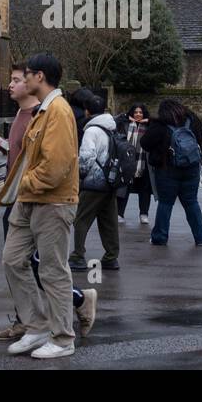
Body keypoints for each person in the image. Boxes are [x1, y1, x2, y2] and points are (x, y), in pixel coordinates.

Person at [0, 64, 96, 343]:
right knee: (12, 259)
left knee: (51, 270)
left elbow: (55, 167)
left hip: (51, 201)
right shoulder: (41, 112)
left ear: (39, 77)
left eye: (24, 76)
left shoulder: (57, 111)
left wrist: (22, 183)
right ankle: (35, 326)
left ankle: (62, 338)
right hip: (27, 200)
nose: (18, 82)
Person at [141, 99, 202, 247]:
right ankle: (201, 238)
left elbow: (144, 143)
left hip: (167, 170)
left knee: (165, 203)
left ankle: (160, 237)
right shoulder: (192, 120)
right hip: (191, 169)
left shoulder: (160, 125)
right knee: (191, 202)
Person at [71, 93, 120, 272]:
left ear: (87, 111)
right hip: (111, 180)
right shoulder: (112, 127)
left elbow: (86, 157)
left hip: (94, 182)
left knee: (81, 219)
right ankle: (111, 257)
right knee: (109, 221)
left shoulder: (91, 130)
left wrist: (80, 176)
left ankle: (77, 256)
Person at [115, 104, 152, 225]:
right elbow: (115, 120)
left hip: (143, 162)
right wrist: (126, 117)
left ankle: (144, 214)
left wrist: (149, 120)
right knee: (124, 187)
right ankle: (119, 213)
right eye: (135, 112)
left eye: (141, 112)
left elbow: (160, 123)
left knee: (144, 189)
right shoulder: (125, 123)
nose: (138, 114)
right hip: (127, 161)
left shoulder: (149, 126)